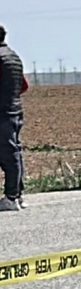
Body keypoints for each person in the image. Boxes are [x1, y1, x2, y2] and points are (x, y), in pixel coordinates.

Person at [0, 26, 26, 211]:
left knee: (9, 155)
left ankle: (11, 197)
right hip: (14, 111)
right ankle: (18, 195)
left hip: (2, 113)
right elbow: (23, 85)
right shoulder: (14, 57)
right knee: (14, 153)